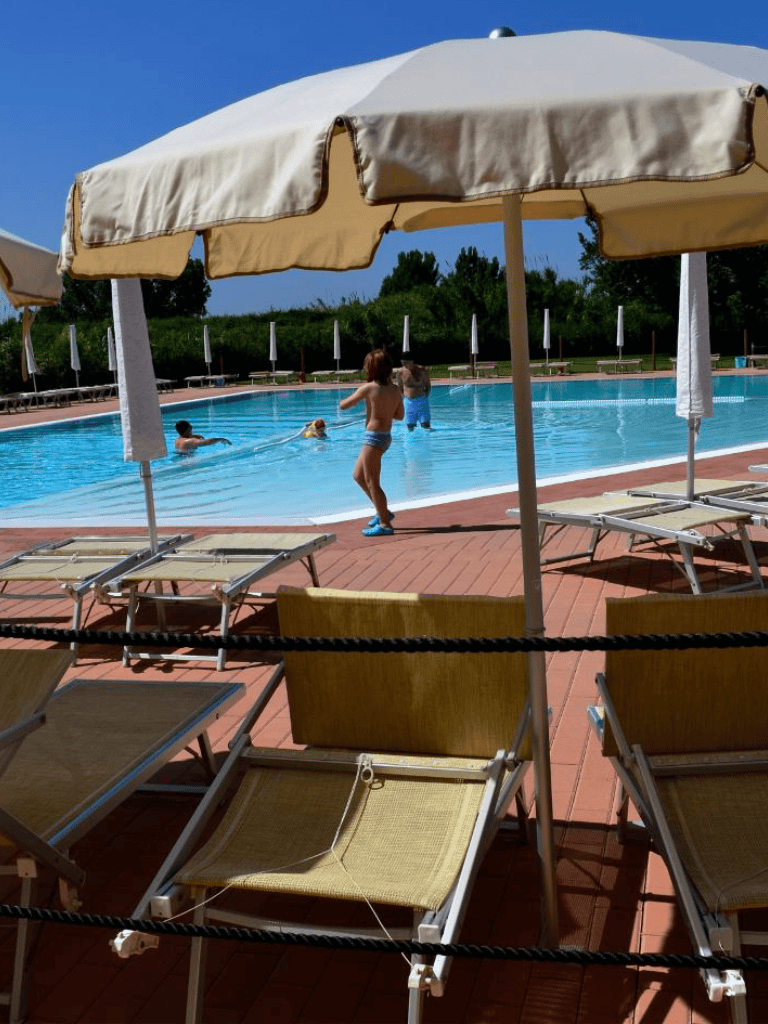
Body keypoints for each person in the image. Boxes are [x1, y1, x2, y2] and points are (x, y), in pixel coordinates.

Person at [339, 348, 404, 537]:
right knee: (358, 475)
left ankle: (385, 524)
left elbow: (344, 405)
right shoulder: (395, 390)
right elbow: (399, 416)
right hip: (385, 437)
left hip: (373, 438)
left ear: (372, 369)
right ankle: (383, 511)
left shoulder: (368, 388)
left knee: (372, 482)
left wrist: (351, 398)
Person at [397, 357, 432, 430]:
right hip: (408, 402)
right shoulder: (400, 372)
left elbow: (428, 384)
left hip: (421, 400)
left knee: (426, 426)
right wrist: (404, 397)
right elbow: (400, 387)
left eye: (406, 362)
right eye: (402, 362)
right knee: (410, 427)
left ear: (412, 361)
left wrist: (425, 396)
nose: (404, 364)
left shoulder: (421, 370)